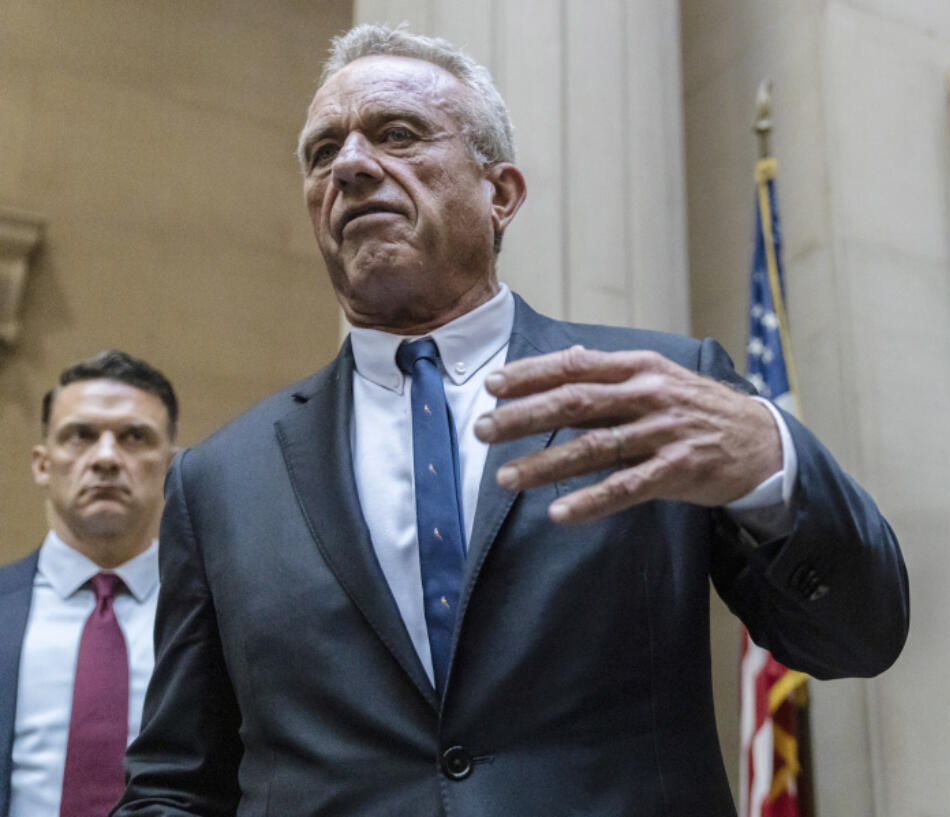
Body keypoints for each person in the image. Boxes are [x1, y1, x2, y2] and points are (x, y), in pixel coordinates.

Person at [115, 23, 907, 816]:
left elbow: (858, 636)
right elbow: (176, 783)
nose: (352, 166)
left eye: (397, 134)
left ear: (501, 193)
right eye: (324, 153)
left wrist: (768, 458)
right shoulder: (218, 480)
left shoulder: (658, 392)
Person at [0, 351, 177, 817]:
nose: (105, 458)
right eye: (80, 436)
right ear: (42, 464)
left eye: (134, 437)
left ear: (172, 468)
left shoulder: (215, 621)